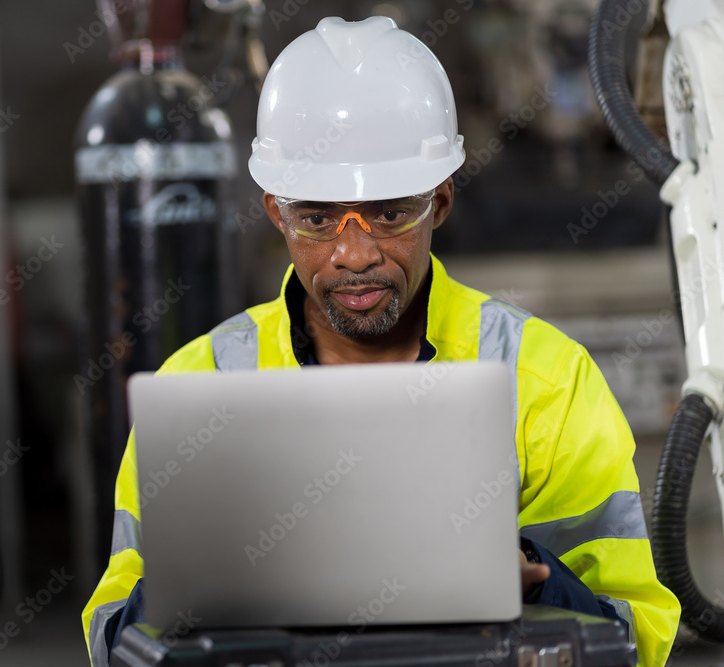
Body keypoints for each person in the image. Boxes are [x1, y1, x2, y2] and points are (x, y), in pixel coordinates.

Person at [82, 15, 680, 667]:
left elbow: (635, 636)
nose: (354, 252)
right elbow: (112, 634)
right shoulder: (197, 384)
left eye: (391, 212)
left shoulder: (546, 381)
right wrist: (195, 584)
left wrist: (536, 576)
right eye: (316, 218)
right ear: (275, 212)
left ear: (442, 201)